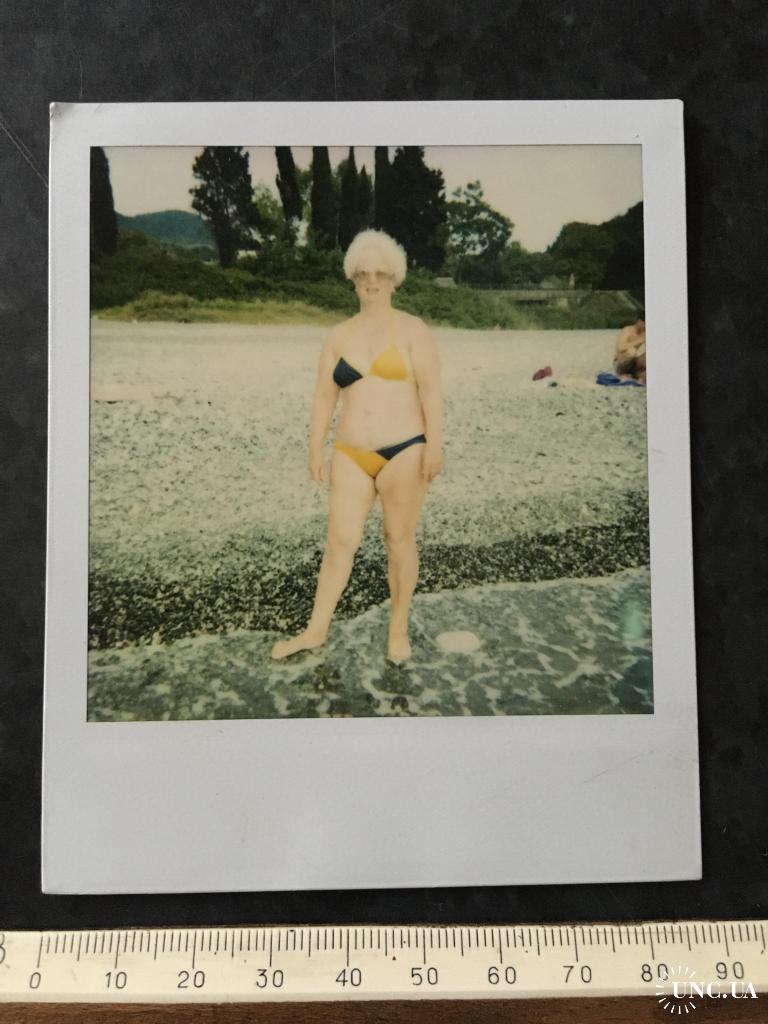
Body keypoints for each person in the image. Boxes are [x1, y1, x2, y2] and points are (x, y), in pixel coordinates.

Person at [271, 230, 443, 664]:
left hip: (405, 449)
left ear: (394, 278)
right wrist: (315, 449)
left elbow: (431, 392)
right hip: (350, 453)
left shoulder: (414, 330)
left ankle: (398, 630)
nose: (372, 281)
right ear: (352, 278)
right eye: (363, 273)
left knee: (398, 539)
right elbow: (323, 398)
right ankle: (315, 630)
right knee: (338, 543)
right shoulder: (337, 336)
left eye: (380, 273)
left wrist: (435, 446)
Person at [613, 318, 646, 384]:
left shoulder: (645, 332)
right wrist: (640, 340)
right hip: (621, 363)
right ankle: (623, 375)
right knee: (631, 351)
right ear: (638, 321)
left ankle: (639, 377)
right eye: (643, 323)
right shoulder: (627, 330)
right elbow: (620, 347)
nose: (644, 326)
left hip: (634, 363)